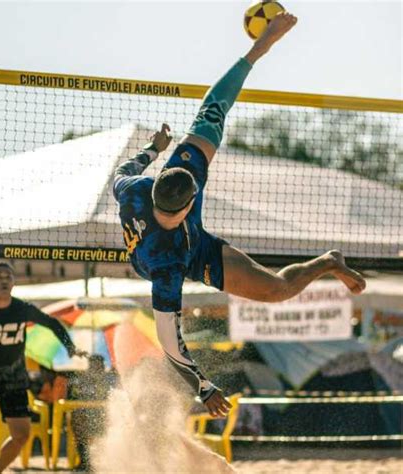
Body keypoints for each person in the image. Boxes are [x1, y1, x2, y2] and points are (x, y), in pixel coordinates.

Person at [113, 13, 366, 419]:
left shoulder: (140, 188)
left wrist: (153, 148)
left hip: (186, 233)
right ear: (189, 205)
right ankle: (327, 261)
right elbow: (169, 340)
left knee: (277, 290)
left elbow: (211, 107)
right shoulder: (167, 269)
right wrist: (202, 383)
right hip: (187, 254)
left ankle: (329, 261)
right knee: (276, 292)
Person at [0, 261, 87, 474]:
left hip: (14, 375)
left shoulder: (21, 308)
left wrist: (70, 348)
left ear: (13, 283)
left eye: (8, 276)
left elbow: (53, 324)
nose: (3, 280)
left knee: (22, 435)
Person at [69, 355, 116, 472]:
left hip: (106, 415)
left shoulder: (109, 379)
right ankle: (85, 462)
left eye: (97, 365)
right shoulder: (83, 379)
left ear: (102, 366)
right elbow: (76, 398)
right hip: (87, 416)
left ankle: (100, 462)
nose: (94, 367)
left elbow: (113, 399)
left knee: (106, 419)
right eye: (92, 364)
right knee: (76, 417)